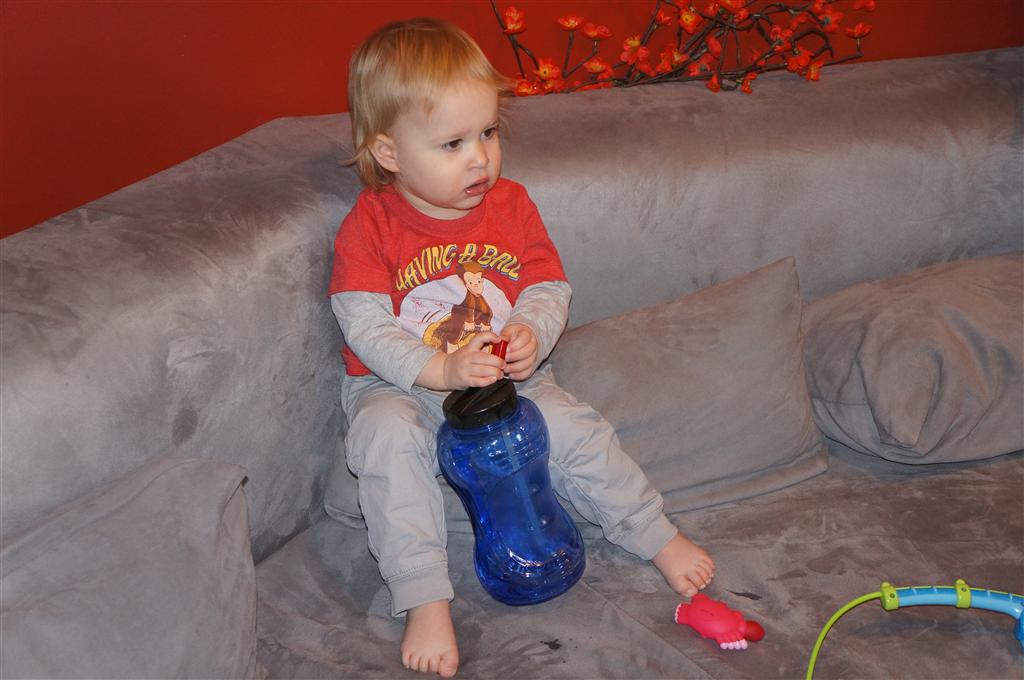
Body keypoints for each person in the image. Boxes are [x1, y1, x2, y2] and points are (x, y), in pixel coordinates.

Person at [329, 18, 714, 678]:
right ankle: (423, 598)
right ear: (389, 153)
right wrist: (438, 368)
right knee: (385, 442)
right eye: (452, 143)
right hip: (400, 387)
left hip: (509, 384)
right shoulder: (370, 224)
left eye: (488, 132)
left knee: (577, 430)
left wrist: (532, 329)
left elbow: (547, 284)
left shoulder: (512, 205)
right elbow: (362, 324)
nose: (479, 157)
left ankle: (654, 533)